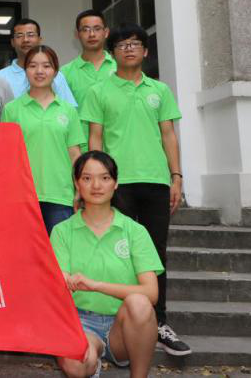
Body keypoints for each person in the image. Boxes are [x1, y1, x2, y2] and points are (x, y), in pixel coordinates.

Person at [80, 23, 191, 357]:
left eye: (134, 44)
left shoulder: (160, 89)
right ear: (112, 53)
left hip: (156, 181)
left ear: (145, 51)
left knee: (155, 253)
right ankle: (124, 319)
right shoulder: (99, 90)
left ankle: (159, 322)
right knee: (120, 251)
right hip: (118, 184)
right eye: (122, 44)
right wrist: (97, 179)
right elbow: (95, 138)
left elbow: (168, 134)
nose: (128, 49)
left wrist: (176, 176)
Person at [51, 151, 162, 378]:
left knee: (140, 303)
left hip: (123, 326)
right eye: (87, 178)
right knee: (75, 365)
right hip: (80, 322)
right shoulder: (62, 231)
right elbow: (58, 284)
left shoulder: (135, 231)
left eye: (104, 178)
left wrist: (96, 285)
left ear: (115, 183)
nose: (96, 186)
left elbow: (151, 293)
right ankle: (92, 361)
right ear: (77, 183)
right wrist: (62, 280)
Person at [1, 46, 83, 233]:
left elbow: (75, 154)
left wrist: (79, 188)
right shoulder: (11, 110)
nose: (39, 71)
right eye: (33, 66)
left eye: (46, 66)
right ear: (25, 70)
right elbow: (6, 157)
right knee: (24, 250)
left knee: (59, 250)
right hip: (22, 197)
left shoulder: (68, 110)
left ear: (55, 71)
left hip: (60, 196)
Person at [60, 10, 117, 150]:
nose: (91, 34)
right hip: (81, 151)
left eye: (97, 29)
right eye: (85, 29)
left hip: (119, 148)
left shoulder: (120, 67)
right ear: (77, 34)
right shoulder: (64, 74)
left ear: (106, 32)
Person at [0, 18, 78, 107]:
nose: (25, 40)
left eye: (30, 35)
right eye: (19, 35)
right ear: (12, 42)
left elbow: (69, 109)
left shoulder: (55, 75)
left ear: (39, 40)